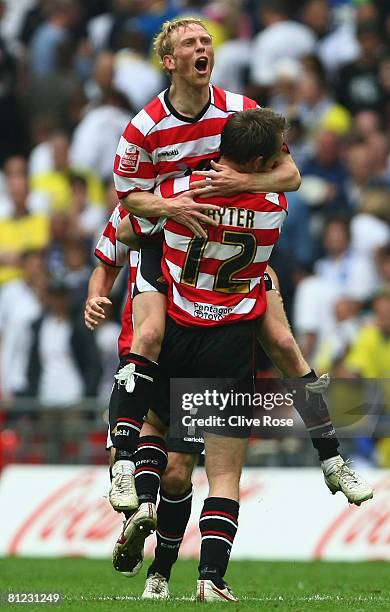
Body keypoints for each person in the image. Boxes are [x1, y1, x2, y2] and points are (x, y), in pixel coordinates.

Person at [108, 17, 372, 519]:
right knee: (147, 340)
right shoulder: (143, 128)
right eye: (191, 43)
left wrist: (228, 187)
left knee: (286, 343)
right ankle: (122, 463)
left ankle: (333, 457)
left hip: (229, 246)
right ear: (170, 61)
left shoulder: (241, 110)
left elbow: (290, 173)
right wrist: (175, 208)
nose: (203, 47)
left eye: (207, 41)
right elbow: (128, 203)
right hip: (169, 248)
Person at [115, 108, 373, 602]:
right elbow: (284, 182)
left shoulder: (182, 189)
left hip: (176, 329)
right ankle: (211, 577)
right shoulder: (275, 204)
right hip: (231, 337)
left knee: (163, 444)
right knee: (226, 471)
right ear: (260, 159)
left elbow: (129, 230)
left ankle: (137, 495)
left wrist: (161, 217)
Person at [85, 204, 203, 599]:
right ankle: (147, 536)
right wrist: (95, 297)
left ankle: (156, 557)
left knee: (176, 471)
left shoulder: (208, 196)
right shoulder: (133, 207)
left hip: (198, 347)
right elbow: (106, 259)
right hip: (143, 345)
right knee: (139, 440)